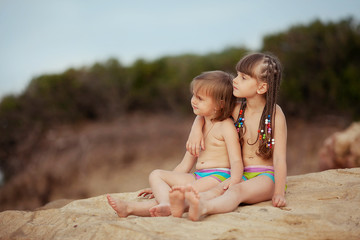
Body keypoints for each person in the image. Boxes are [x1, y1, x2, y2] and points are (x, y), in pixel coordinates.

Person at [106, 70, 244, 217]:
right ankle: (165, 202)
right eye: (193, 95)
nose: (193, 100)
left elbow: (236, 159)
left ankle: (130, 208)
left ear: (219, 104)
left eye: (200, 98)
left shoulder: (226, 126)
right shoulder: (200, 124)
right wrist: (162, 188)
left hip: (217, 176)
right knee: (156, 174)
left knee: (182, 195)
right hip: (198, 175)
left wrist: (234, 180)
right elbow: (185, 164)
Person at [177, 52, 287, 221]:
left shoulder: (274, 114)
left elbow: (279, 158)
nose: (235, 80)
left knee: (236, 190)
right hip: (239, 174)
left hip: (266, 176)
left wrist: (279, 192)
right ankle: (184, 204)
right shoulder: (237, 109)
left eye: (243, 77)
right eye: (237, 75)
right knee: (218, 189)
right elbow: (208, 112)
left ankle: (204, 207)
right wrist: (196, 128)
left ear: (261, 88)